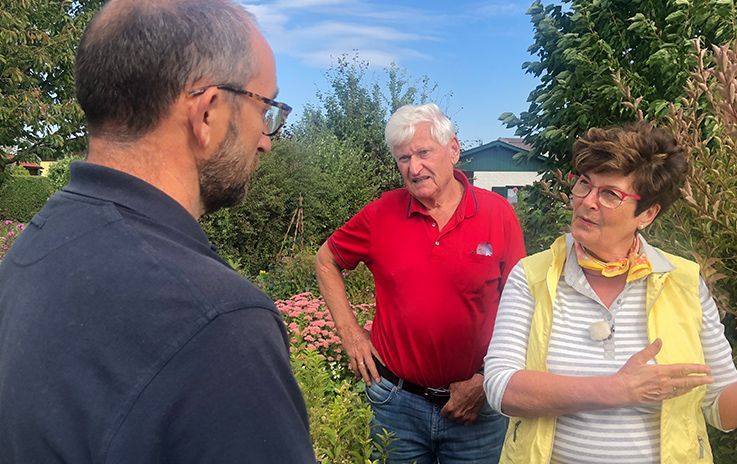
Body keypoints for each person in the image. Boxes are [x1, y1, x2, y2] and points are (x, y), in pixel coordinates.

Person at [0, 1, 315, 462]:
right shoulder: (219, 321)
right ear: (207, 114)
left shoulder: (36, 246)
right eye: (265, 107)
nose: (267, 138)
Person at [483, 121, 737, 463]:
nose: (587, 202)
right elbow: (501, 388)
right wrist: (615, 390)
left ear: (647, 213)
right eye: (584, 184)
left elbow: (719, 408)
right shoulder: (532, 275)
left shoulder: (684, 282)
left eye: (610, 194)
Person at [315, 103, 527, 463]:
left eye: (424, 153)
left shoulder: (497, 214)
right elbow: (327, 259)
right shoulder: (381, 214)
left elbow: (522, 306)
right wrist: (350, 333)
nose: (414, 168)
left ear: (454, 150)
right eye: (403, 158)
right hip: (397, 405)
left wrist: (484, 379)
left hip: (477, 409)